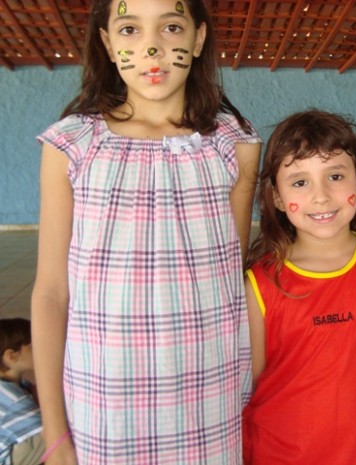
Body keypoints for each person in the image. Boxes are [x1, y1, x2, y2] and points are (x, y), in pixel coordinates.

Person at [30, 0, 262, 463]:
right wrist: (55, 432)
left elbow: (229, 277)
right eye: (130, 29)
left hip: (207, 396)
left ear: (198, 38)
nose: (151, 47)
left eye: (171, 27)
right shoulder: (72, 144)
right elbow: (52, 292)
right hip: (104, 404)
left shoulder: (233, 144)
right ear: (107, 43)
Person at [242, 109, 356, 464]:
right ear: (277, 197)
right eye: (300, 182)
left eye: (335, 176)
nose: (321, 196)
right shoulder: (261, 283)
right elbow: (254, 385)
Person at [0, 318, 44, 465]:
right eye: (32, 346)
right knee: (54, 438)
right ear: (11, 356)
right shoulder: (14, 400)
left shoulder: (13, 385)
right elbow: (50, 431)